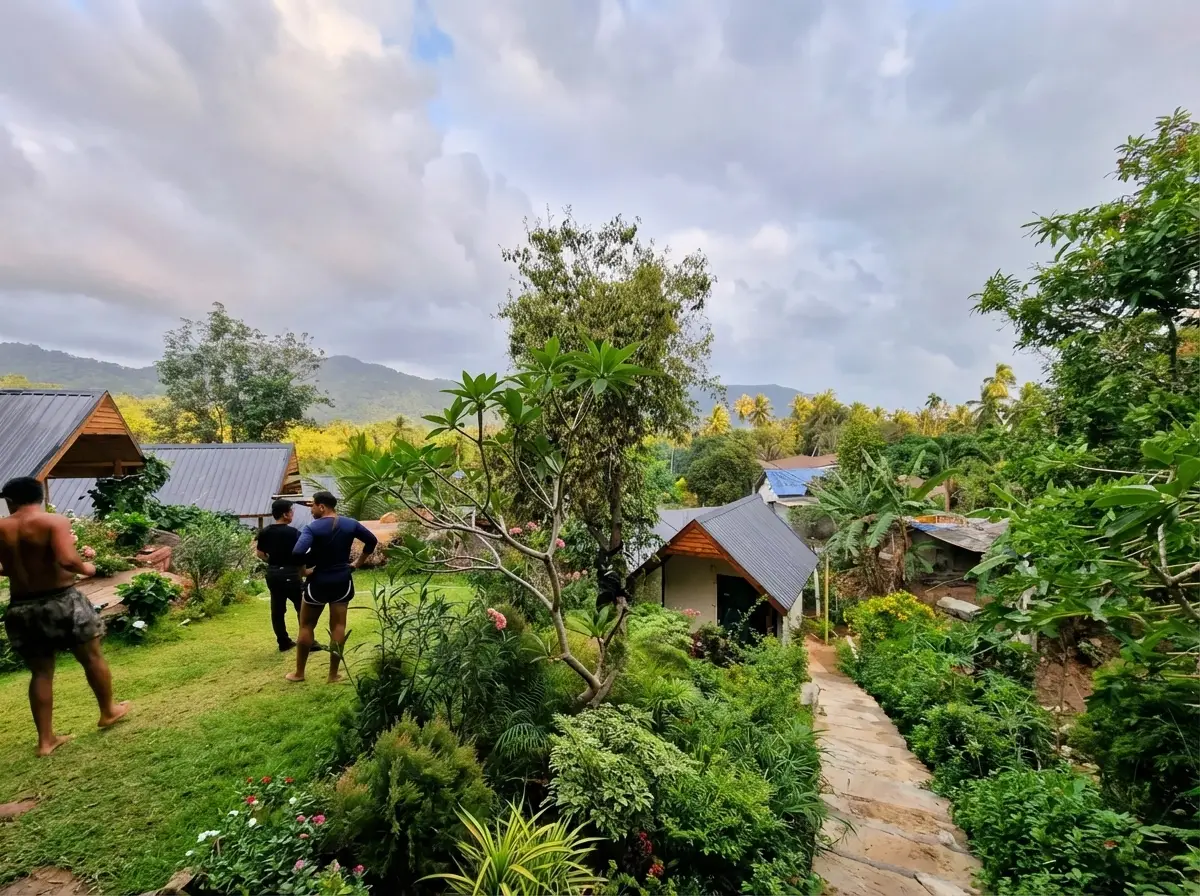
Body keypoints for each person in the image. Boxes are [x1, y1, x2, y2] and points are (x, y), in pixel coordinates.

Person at [0, 476, 130, 756]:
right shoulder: (53, 522)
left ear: (10, 501)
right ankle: (108, 711)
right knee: (91, 657)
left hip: (22, 606)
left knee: (41, 672)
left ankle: (45, 741)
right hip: (61, 600)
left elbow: (4, 568)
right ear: (40, 497)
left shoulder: (1, 527)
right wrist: (89, 568)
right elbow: (67, 560)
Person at [286, 490, 377, 683]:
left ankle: (299, 673)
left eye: (312, 505)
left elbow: (297, 552)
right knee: (338, 626)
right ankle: (333, 675)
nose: (311, 510)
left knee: (306, 625)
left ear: (322, 506)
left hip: (318, 581)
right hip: (342, 581)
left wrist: (303, 572)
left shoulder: (312, 528)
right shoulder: (350, 524)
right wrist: (358, 562)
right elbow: (372, 540)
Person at [254, 499, 324, 653]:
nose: (292, 514)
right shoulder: (293, 533)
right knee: (302, 607)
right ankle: (309, 642)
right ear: (285, 514)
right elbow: (302, 554)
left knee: (277, 609)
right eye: (291, 511)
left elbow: (259, 553)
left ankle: (283, 642)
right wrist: (304, 571)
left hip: (272, 574)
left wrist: (273, 562)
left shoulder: (265, 532)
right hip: (291, 574)